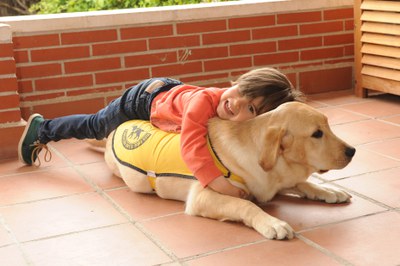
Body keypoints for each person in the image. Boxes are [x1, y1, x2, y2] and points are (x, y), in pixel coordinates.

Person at [18, 67, 303, 198]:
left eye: (251, 110)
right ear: (237, 81)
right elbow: (192, 148)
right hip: (142, 100)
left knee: (102, 130)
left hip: (169, 92)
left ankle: (101, 140)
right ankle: (42, 130)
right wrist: (218, 184)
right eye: (242, 91)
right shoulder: (201, 105)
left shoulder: (228, 114)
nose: (237, 102)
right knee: (96, 124)